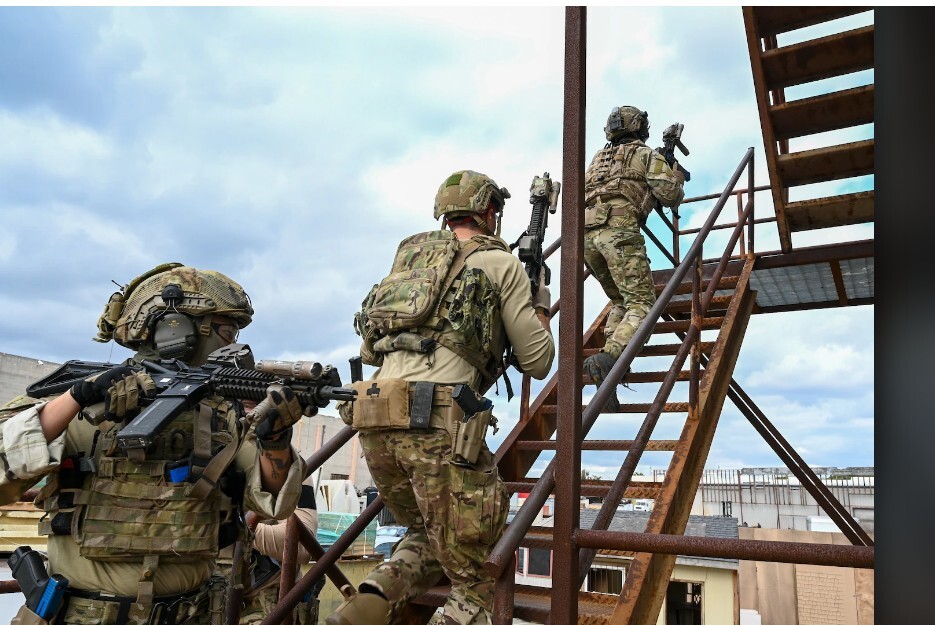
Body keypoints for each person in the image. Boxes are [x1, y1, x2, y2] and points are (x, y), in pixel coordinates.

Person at [0, 263, 308, 625]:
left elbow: (274, 503)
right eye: (227, 331)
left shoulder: (220, 414)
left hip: (192, 614)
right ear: (173, 328)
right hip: (83, 615)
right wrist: (77, 398)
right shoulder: (77, 403)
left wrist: (276, 439)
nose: (235, 345)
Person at [327, 170, 555, 625]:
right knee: (479, 577)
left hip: (371, 414)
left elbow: (370, 348)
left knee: (427, 535)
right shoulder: (500, 264)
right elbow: (538, 360)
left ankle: (356, 615)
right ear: (490, 212)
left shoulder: (408, 265)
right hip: (433, 422)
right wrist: (540, 300)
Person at [582, 105, 685, 410]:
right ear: (640, 127)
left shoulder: (598, 160)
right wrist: (674, 175)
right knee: (642, 304)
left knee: (621, 302)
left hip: (587, 236)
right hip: (619, 233)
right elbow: (669, 195)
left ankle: (611, 370)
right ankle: (612, 356)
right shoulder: (644, 154)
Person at [220, 484, 323, 625]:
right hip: (206, 603)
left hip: (266, 607)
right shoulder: (194, 467)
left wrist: (234, 528)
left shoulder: (289, 468)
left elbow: (301, 545)